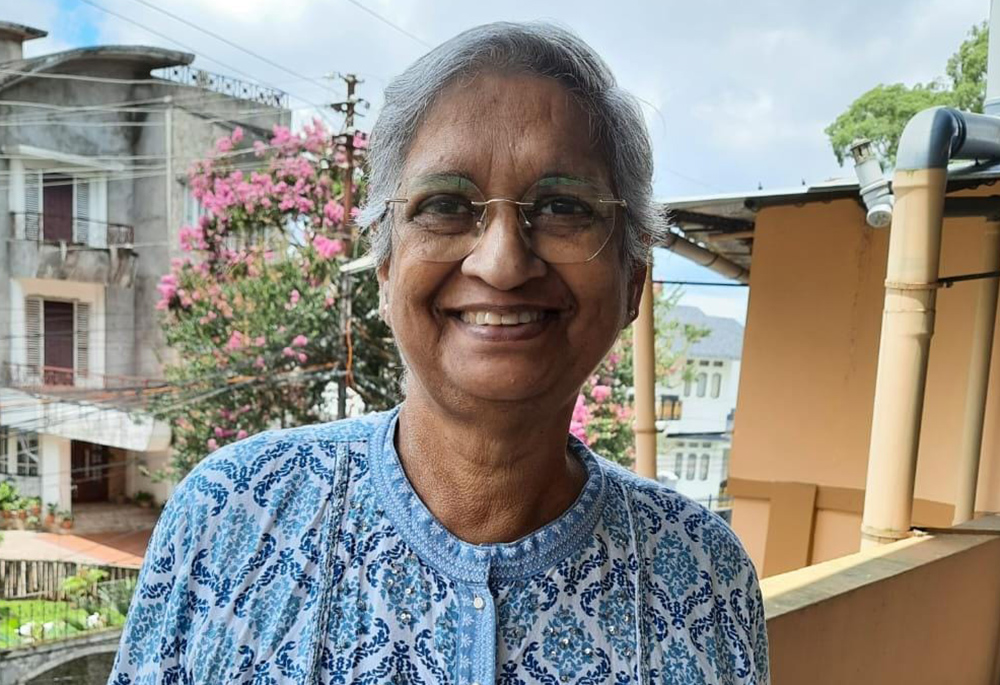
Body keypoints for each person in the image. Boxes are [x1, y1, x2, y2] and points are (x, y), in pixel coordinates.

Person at [109, 21, 769, 685]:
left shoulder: (705, 576)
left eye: (563, 205)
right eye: (447, 205)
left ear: (633, 282)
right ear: (387, 267)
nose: (504, 262)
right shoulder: (232, 517)